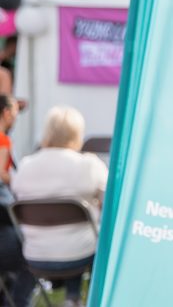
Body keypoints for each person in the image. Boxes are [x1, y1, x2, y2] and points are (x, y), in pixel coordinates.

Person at [11, 106, 107, 307]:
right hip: (81, 255)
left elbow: (17, 197)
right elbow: (109, 204)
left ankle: (69, 297)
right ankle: (74, 299)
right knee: (81, 237)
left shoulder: (26, 166)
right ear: (77, 134)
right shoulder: (89, 165)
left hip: (35, 255)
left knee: (64, 234)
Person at [0, 95, 33, 307]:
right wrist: (19, 179)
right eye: (14, 112)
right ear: (6, 112)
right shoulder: (3, 140)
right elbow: (1, 173)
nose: (15, 117)